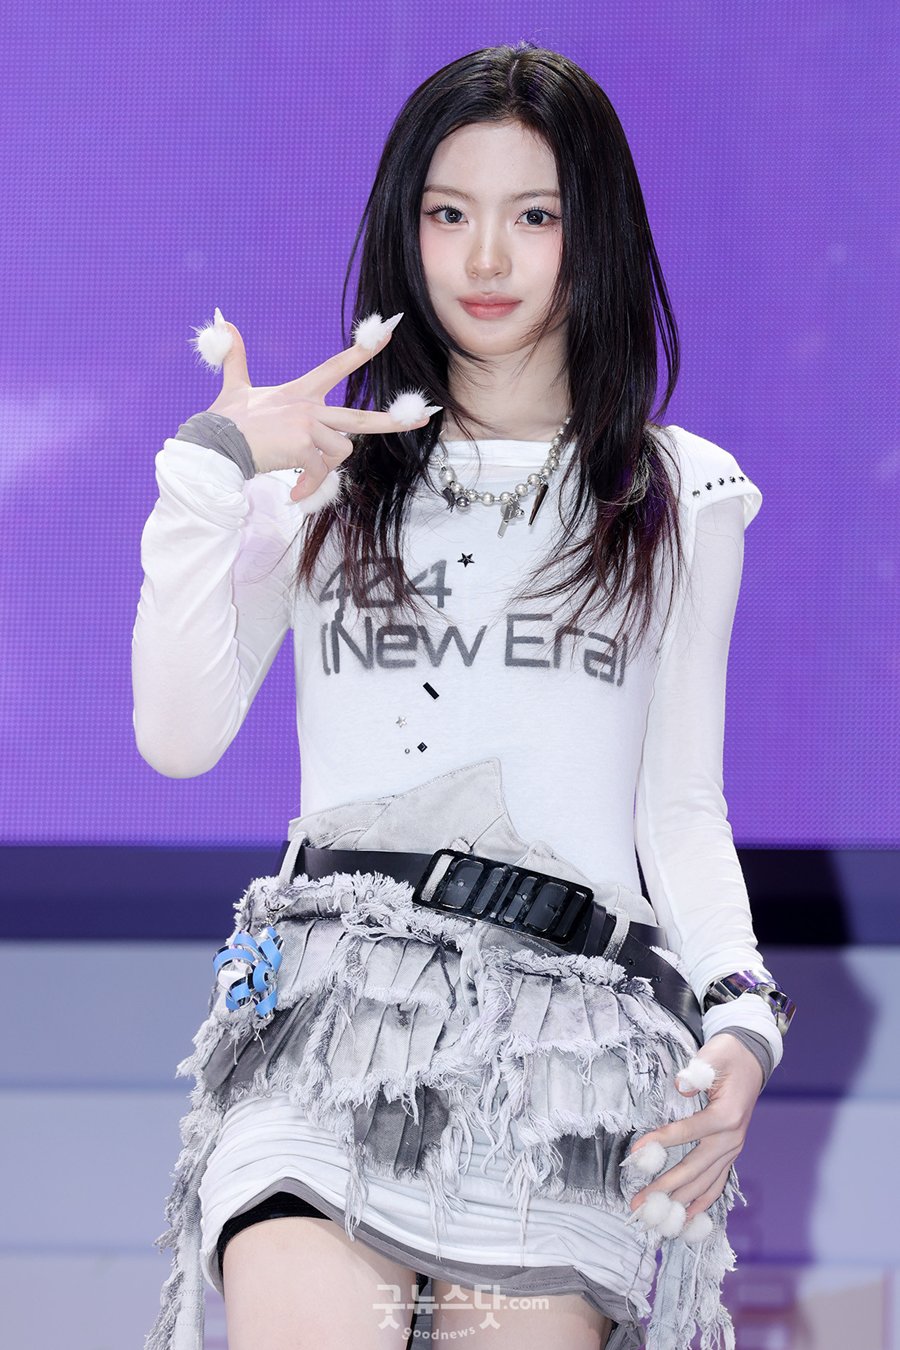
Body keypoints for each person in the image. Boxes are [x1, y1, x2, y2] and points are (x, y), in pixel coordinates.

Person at [133, 41, 796, 1350]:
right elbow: (177, 733)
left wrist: (743, 1015)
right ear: (406, 227)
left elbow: (679, 807)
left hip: (567, 1049)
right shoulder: (325, 473)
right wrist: (211, 471)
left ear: (592, 233)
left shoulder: (676, 491)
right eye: (449, 214)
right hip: (328, 1020)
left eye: (532, 216)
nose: (485, 257)